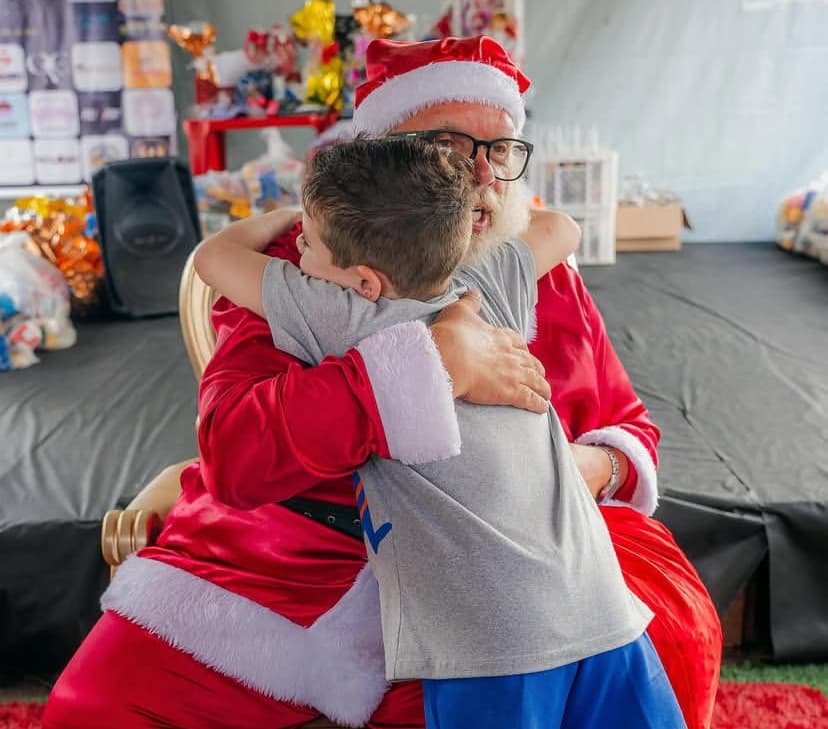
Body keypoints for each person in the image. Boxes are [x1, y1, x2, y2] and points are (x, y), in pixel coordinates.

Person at [44, 35, 721, 729]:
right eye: (450, 147)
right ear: (379, 158)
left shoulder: (525, 265)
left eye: (501, 150)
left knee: (671, 631)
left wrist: (581, 467)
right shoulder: (313, 268)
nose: (484, 176)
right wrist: (430, 362)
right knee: (101, 704)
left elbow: (626, 422)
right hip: (302, 557)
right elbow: (236, 452)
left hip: (531, 548)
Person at [193, 136, 685, 729]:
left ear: (365, 280)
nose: (298, 247)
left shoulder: (343, 312)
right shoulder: (486, 285)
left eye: (310, 243)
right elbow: (561, 229)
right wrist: (462, 207)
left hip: (488, 645)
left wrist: (290, 217)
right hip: (603, 608)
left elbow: (213, 258)